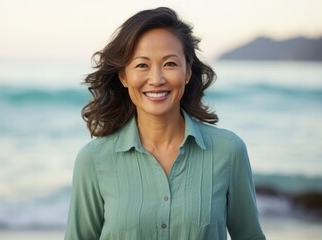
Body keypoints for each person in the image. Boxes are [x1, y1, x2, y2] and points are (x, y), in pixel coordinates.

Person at [65, 7, 266, 240]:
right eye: (142, 65)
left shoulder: (229, 151)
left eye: (170, 64)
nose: (157, 79)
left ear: (188, 72)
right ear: (123, 76)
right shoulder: (93, 160)